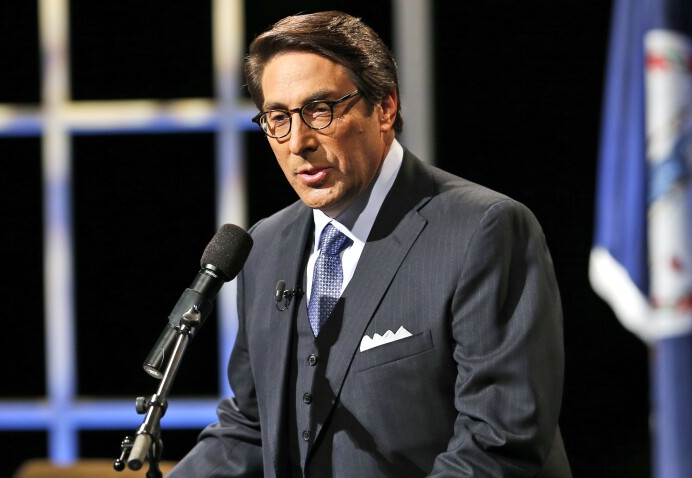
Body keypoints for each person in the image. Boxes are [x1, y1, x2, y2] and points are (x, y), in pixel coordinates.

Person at [168, 10, 571, 477]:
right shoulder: (266, 246)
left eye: (320, 110)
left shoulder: (483, 229)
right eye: (277, 118)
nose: (298, 141)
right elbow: (252, 426)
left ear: (384, 107)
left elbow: (498, 441)